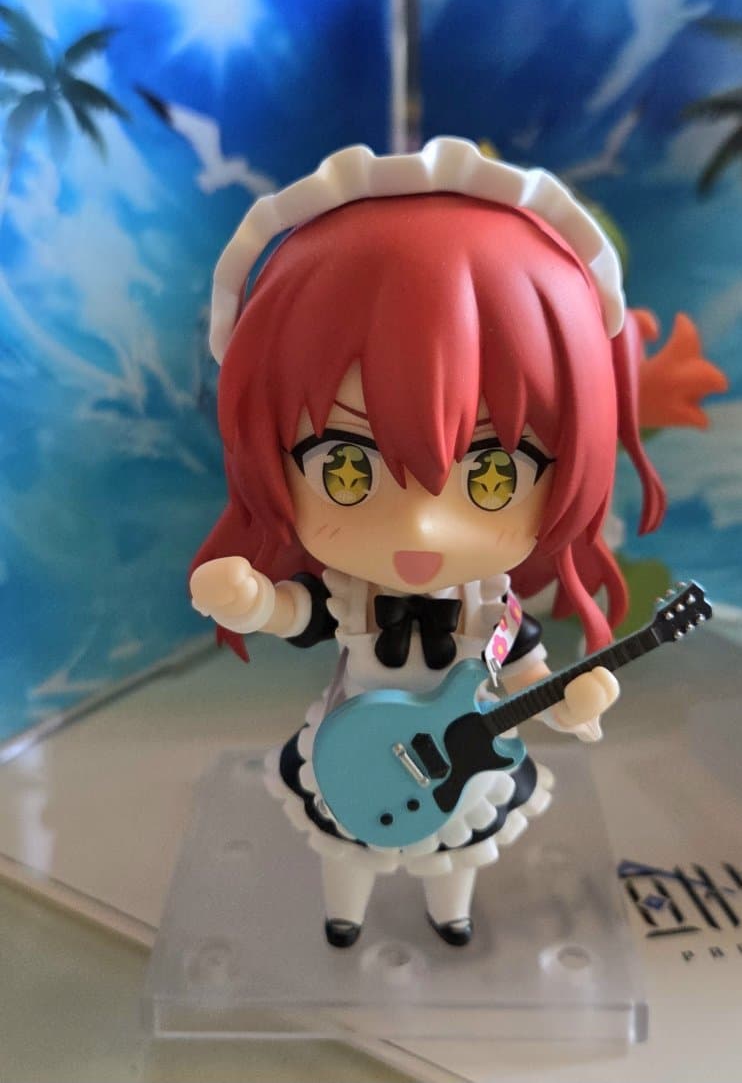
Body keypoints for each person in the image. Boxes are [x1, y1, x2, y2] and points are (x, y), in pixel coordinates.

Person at [189, 138, 666, 947]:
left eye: (493, 475)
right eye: (346, 467)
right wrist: (254, 600)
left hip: (449, 767)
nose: (420, 526)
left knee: (457, 845)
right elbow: (302, 614)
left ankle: (452, 911)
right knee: (344, 842)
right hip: (356, 749)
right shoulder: (354, 594)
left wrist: (568, 697)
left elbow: (524, 668)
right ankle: (344, 913)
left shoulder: (493, 609)